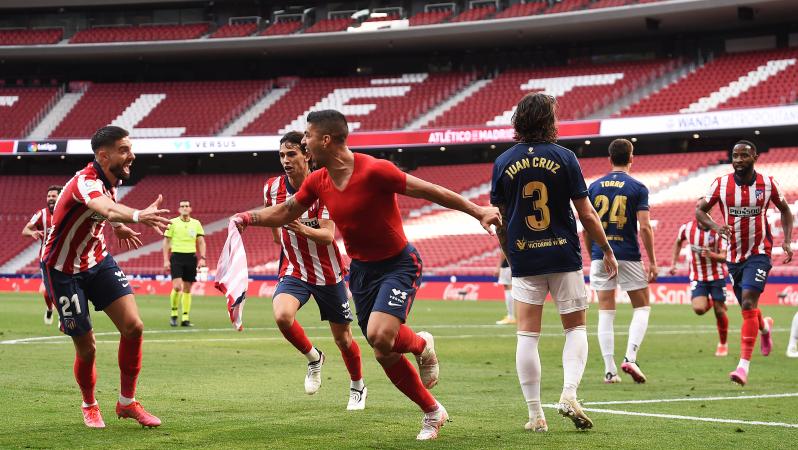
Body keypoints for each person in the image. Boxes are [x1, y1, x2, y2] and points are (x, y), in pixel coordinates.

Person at [233, 109, 500, 440]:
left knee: (379, 335)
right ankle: (432, 407)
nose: (304, 143)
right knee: (381, 348)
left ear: (326, 140)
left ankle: (421, 348)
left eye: (308, 136)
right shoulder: (318, 181)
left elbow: (428, 190)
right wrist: (248, 218)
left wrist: (477, 210)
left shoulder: (375, 170)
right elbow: (287, 211)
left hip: (398, 264)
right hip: (361, 272)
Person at [491, 93, 618, 432]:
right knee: (575, 329)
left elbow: (500, 219)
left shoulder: (502, 161)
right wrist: (605, 248)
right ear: (549, 120)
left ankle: (535, 416)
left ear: (519, 120)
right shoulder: (565, 157)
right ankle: (569, 393)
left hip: (524, 256)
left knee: (527, 334)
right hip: (563, 254)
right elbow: (586, 214)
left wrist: (511, 255)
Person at [40, 125, 171, 428]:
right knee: (87, 348)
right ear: (103, 155)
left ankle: (127, 403)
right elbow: (104, 206)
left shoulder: (111, 179)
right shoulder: (84, 182)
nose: (131, 156)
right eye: (124, 150)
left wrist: (117, 227)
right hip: (63, 271)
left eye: (130, 149)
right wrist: (136, 216)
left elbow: (102, 210)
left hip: (97, 260)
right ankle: (89, 404)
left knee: (134, 326)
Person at [263, 131, 367, 410]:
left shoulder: (325, 186)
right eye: (281, 155)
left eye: (291, 154)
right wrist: (280, 239)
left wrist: (299, 228)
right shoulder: (272, 188)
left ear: (307, 155)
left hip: (328, 272)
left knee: (343, 339)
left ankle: (358, 385)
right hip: (295, 268)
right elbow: (273, 219)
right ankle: (314, 358)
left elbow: (328, 235)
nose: (285, 160)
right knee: (282, 316)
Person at [697, 140, 793, 385]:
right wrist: (716, 227)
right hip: (733, 257)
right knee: (747, 309)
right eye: (735, 156)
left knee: (749, 302)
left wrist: (787, 240)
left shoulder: (768, 183)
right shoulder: (721, 184)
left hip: (759, 253)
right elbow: (700, 211)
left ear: (755, 158)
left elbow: (785, 210)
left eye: (744, 155)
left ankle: (742, 367)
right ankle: (765, 327)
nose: (738, 160)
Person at [585, 138, 657, 385]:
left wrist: (594, 253)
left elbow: (587, 226)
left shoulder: (594, 187)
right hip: (628, 254)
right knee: (642, 307)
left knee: (606, 311)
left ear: (609, 158)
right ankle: (631, 357)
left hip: (601, 254)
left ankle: (609, 371)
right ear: (631, 158)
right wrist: (652, 261)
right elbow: (645, 227)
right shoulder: (638, 187)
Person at [669, 220, 730, 356]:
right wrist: (673, 263)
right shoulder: (687, 228)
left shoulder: (718, 231)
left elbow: (724, 256)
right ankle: (715, 301)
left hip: (717, 275)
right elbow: (678, 242)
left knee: (719, 312)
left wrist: (711, 255)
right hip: (698, 276)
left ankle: (723, 344)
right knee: (699, 309)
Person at [22, 184, 62, 325]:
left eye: (53, 196)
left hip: (66, 258)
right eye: (48, 196)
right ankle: (50, 309)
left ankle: (63, 316)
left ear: (60, 197)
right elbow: (25, 230)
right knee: (47, 292)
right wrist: (32, 232)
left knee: (64, 289)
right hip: (47, 259)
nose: (50, 198)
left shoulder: (67, 213)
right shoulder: (41, 214)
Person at [163, 199, 206, 327]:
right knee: (177, 287)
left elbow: (201, 242)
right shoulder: (173, 223)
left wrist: (203, 258)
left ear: (190, 209)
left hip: (191, 257)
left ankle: (185, 318)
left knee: (187, 288)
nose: (185, 208)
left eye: (187, 206)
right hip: (176, 257)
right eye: (182, 206)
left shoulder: (196, 223)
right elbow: (166, 242)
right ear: (179, 209)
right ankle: (174, 314)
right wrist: (166, 260)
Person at [495, 256, 515, 325]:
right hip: (511, 264)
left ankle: (511, 316)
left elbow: (503, 252)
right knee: (510, 287)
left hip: (507, 266)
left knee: (508, 287)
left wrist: (498, 267)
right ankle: (511, 316)